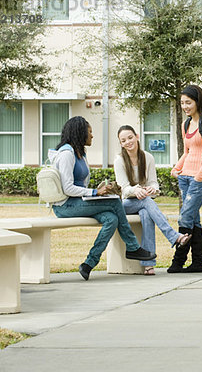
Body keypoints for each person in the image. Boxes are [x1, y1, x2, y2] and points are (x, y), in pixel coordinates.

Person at [49, 116, 156, 281]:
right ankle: (133, 247)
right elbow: (67, 188)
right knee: (114, 201)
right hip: (65, 206)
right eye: (90, 132)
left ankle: (88, 264)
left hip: (78, 202)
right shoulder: (66, 155)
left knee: (111, 218)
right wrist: (95, 193)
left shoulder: (79, 154)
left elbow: (80, 185)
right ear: (80, 133)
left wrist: (99, 190)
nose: (92, 136)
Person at [114, 125, 192, 276]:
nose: (128, 142)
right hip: (125, 204)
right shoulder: (119, 160)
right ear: (121, 144)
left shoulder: (148, 157)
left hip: (143, 200)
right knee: (146, 202)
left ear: (136, 136)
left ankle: (148, 265)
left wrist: (152, 190)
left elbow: (153, 183)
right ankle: (174, 236)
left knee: (146, 213)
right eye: (123, 140)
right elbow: (123, 188)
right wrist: (136, 190)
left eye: (130, 138)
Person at [168, 84, 202, 273]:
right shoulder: (186, 124)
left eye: (188, 102)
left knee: (186, 216)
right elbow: (187, 151)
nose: (185, 106)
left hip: (200, 178)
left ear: (197, 101)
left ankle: (178, 260)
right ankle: (199, 262)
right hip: (185, 177)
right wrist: (177, 168)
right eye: (182, 103)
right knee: (193, 219)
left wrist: (199, 176)